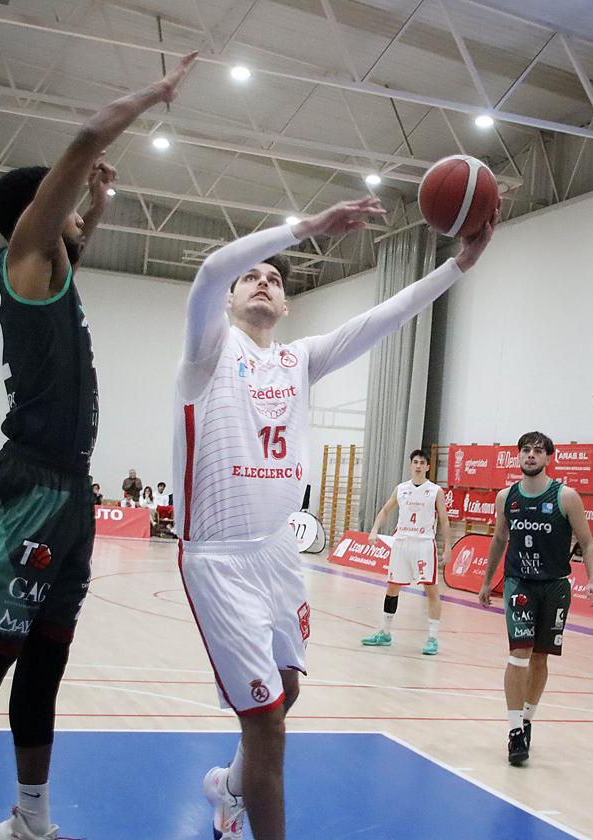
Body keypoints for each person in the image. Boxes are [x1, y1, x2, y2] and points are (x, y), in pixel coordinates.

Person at [0, 52, 197, 840]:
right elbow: (82, 139)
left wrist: (100, 203)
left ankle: (29, 822)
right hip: (32, 486)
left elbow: (72, 235)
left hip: (73, 490)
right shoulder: (24, 264)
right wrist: (153, 94)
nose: (81, 220)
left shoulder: (52, 274)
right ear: (40, 218)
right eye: (70, 211)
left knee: (45, 663)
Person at [175, 194, 496, 840]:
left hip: (275, 552)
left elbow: (388, 316)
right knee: (265, 722)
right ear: (232, 302)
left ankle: (229, 788)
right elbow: (210, 269)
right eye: (253, 277)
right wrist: (305, 228)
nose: (264, 281)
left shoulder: (300, 360)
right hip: (217, 556)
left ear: (286, 306)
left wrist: (459, 266)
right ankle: (246, 814)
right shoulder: (207, 354)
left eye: (275, 278)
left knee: (287, 690)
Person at [478, 432, 593, 767]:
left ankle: (528, 719)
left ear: (548, 458)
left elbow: (588, 543)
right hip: (520, 584)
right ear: (518, 457)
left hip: (555, 586)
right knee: (519, 653)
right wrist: (488, 581)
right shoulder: (507, 497)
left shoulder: (566, 497)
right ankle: (515, 730)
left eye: (537, 451)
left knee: (540, 660)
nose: (530, 455)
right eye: (525, 450)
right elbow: (500, 539)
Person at [361, 449, 450, 655]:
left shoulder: (435, 490)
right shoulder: (401, 489)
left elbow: (445, 520)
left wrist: (448, 548)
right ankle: (385, 633)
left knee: (431, 590)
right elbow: (385, 510)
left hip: (423, 544)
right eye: (415, 462)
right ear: (411, 465)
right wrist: (374, 530)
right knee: (392, 589)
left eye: (422, 462)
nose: (418, 465)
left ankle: (433, 638)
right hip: (401, 542)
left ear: (428, 467)